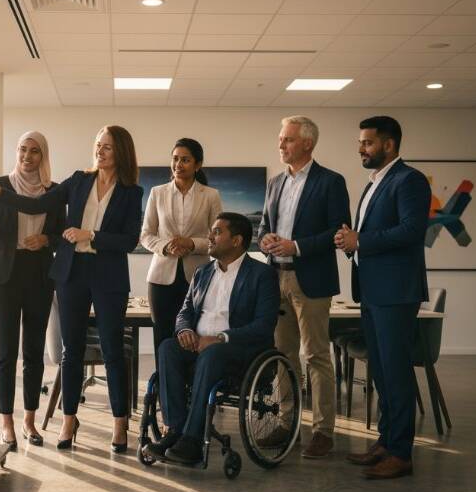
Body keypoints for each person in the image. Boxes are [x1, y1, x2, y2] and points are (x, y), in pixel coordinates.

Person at [0, 126, 143, 453]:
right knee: (71, 351)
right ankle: (68, 419)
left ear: (121, 151)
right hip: (72, 275)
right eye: (97, 145)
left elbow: (129, 239)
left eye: (107, 147)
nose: (100, 152)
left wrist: (88, 234)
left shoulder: (131, 192)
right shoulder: (79, 180)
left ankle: (120, 423)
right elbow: (35, 206)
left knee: (111, 351)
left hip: (108, 277)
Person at [335, 115, 431, 480]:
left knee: (396, 371)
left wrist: (363, 240)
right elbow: (372, 234)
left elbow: (411, 231)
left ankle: (401, 453)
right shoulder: (375, 182)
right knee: (383, 372)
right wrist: (351, 241)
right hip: (374, 291)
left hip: (395, 292)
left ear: (389, 145)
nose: (361, 148)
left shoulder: (410, 180)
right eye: (360, 142)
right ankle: (386, 441)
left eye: (367, 142)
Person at [144, 213, 281, 464]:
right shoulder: (202, 272)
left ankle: (193, 440)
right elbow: (185, 311)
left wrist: (220, 338)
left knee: (212, 353)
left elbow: (263, 326)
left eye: (217, 232)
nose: (209, 237)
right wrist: (184, 330)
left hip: (237, 351)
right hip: (198, 345)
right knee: (167, 348)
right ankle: (175, 431)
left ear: (237, 240)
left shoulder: (262, 275)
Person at [257, 115, 351, 458]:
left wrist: (295, 246)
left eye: (288, 140)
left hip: (309, 278)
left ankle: (323, 431)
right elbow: (264, 224)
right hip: (275, 276)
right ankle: (287, 424)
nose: (281, 145)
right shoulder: (274, 183)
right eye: (281, 139)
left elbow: (338, 231)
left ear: (307, 144)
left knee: (314, 355)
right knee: (282, 355)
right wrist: (264, 238)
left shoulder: (331, 182)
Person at [0, 131, 64, 450]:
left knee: (34, 351)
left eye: (34, 151)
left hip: (38, 274)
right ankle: (6, 422)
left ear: (43, 155)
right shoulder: (2, 184)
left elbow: (61, 232)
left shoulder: (53, 191)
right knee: (6, 350)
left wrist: (46, 239)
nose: (27, 156)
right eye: (22, 149)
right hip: (3, 275)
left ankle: (29, 421)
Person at [140, 138, 222, 358]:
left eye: (185, 160)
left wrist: (192, 243)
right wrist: (166, 247)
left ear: (198, 164)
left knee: (195, 335)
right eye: (175, 159)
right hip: (160, 279)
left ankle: (193, 388)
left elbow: (218, 239)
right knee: (164, 336)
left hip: (199, 278)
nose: (178, 164)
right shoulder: (157, 193)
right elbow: (146, 235)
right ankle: (162, 390)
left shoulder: (211, 195)